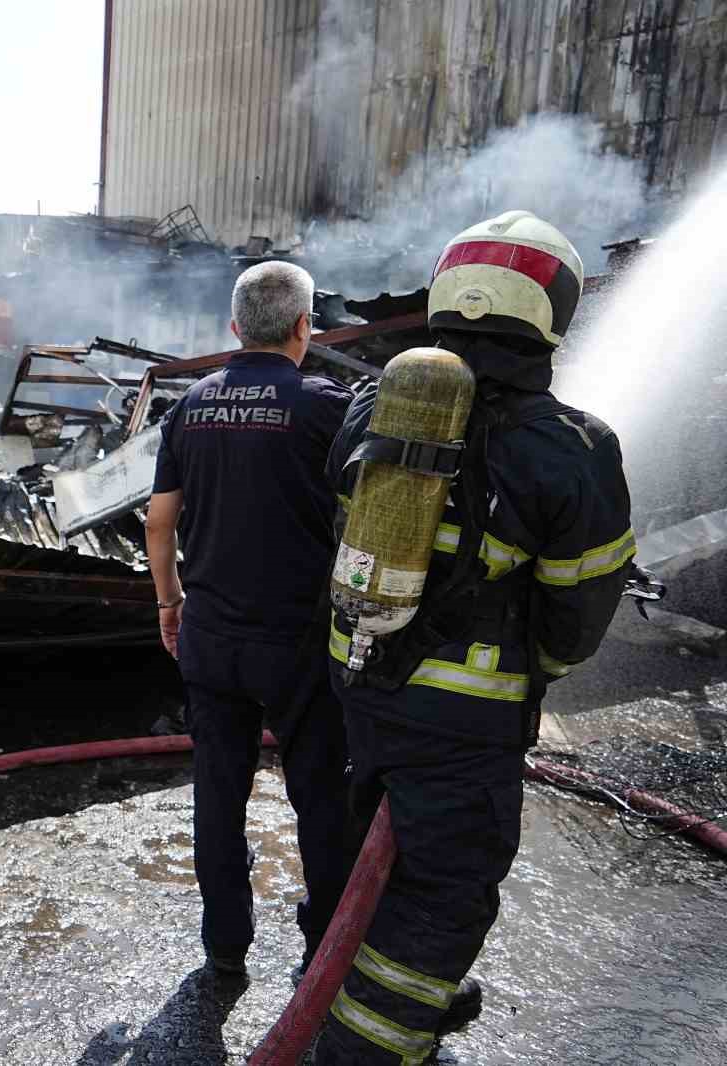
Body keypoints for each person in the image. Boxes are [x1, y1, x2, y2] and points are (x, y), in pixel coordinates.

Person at [314, 211, 634, 1064]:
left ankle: (356, 987)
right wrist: (537, 669)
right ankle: (367, 1047)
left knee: (379, 855)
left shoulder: (365, 412)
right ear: (550, 312)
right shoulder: (574, 449)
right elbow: (577, 614)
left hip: (365, 682)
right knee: (443, 894)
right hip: (465, 725)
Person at [145, 260, 353, 980]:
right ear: (304, 327)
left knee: (218, 792)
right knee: (322, 796)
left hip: (211, 633)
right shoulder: (329, 406)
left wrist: (170, 603)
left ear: (235, 327)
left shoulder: (189, 405)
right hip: (299, 640)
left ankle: (224, 946)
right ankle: (324, 948)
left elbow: (159, 523)